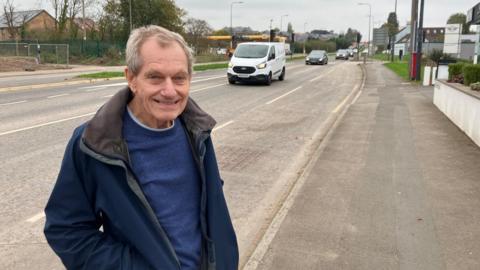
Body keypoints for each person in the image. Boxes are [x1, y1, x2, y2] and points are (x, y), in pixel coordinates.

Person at [44, 25, 239, 270]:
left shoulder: (198, 131)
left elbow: (211, 210)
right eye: (155, 77)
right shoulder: (95, 142)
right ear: (131, 79)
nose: (169, 91)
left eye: (179, 78)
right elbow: (67, 230)